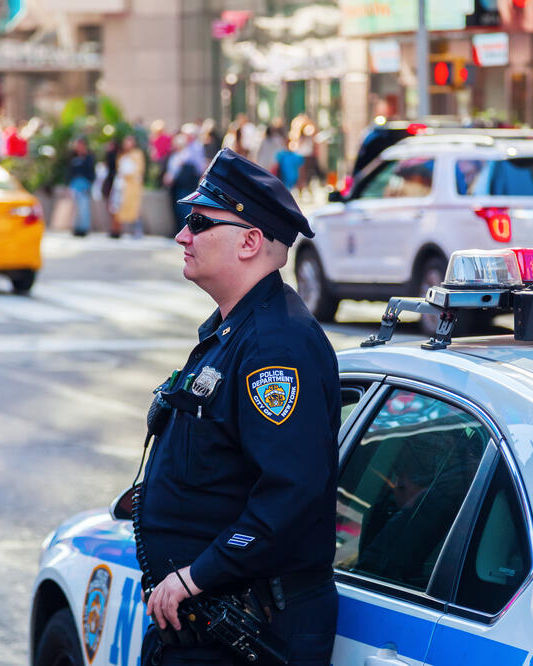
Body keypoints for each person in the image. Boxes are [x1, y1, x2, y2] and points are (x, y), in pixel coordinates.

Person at [136, 148, 340, 666]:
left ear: (250, 242)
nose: (182, 236)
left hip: (249, 631)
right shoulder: (236, 330)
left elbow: (290, 492)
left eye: (199, 223)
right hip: (210, 628)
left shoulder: (276, 346)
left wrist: (195, 576)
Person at [110, 134, 146, 238]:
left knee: (135, 208)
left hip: (133, 186)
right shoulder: (122, 154)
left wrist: (128, 173)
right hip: (121, 185)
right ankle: (117, 230)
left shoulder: (137, 154)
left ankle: (137, 231)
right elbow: (119, 169)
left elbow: (138, 170)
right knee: (118, 207)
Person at [66, 138, 96, 237]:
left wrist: (89, 183)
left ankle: (83, 228)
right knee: (75, 208)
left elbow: (91, 173)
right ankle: (76, 227)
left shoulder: (89, 158)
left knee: (84, 207)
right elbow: (70, 172)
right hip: (75, 185)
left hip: (84, 185)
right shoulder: (73, 157)